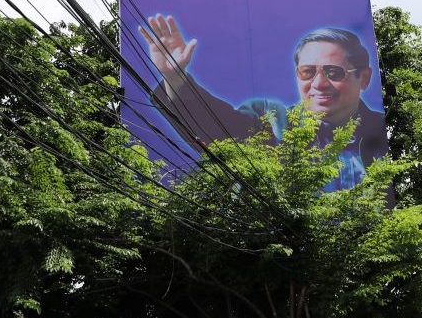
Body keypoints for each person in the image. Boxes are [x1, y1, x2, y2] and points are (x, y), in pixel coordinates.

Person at [141, 14, 389, 191]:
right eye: (307, 72)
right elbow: (218, 128)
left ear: (364, 77)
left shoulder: (380, 132)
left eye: (334, 72)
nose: (319, 83)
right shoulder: (274, 125)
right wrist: (175, 78)